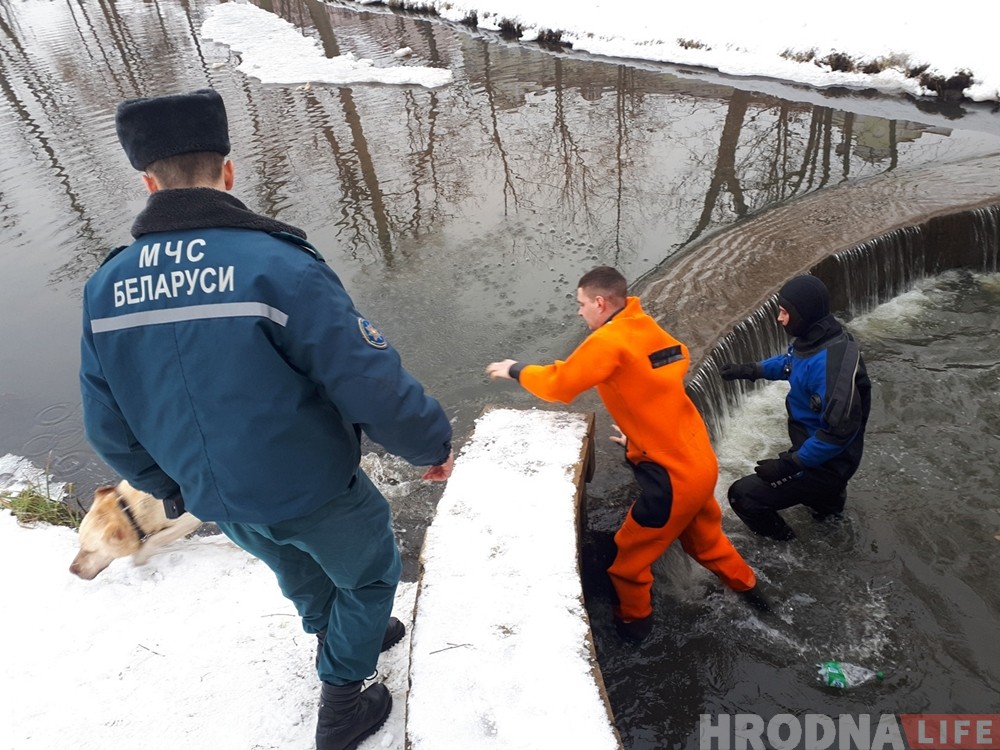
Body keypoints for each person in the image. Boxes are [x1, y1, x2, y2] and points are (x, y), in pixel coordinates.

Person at [80, 88, 454, 750]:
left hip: (220, 499)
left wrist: (174, 486)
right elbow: (369, 380)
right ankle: (343, 701)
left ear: (147, 182)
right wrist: (431, 442)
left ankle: (333, 633)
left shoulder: (107, 288)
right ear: (227, 171)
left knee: (299, 571)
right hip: (312, 488)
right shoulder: (278, 267)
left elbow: (108, 426)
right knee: (370, 576)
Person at [486, 266, 766, 643]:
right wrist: (638, 435)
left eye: (581, 304)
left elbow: (561, 384)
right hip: (699, 459)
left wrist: (515, 369)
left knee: (627, 565)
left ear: (600, 303)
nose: (579, 312)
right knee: (708, 543)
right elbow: (667, 372)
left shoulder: (608, 341)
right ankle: (759, 600)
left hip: (670, 480)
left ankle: (634, 631)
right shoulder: (645, 327)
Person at [720, 274, 871, 541]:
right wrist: (751, 370)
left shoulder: (830, 366)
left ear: (804, 314)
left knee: (742, 496)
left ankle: (788, 550)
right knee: (828, 520)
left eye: (784, 312)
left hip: (826, 463)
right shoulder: (818, 339)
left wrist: (788, 465)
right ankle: (831, 524)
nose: (779, 319)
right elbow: (790, 363)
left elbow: (835, 435)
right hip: (825, 454)